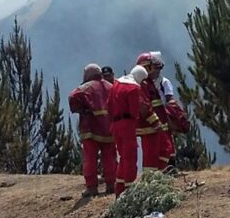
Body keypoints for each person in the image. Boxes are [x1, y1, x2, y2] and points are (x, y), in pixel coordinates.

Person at [68, 64, 117, 197]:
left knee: (90, 157)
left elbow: (73, 97)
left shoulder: (86, 87)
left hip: (90, 128)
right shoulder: (111, 86)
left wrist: (82, 109)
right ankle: (111, 185)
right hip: (109, 128)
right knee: (110, 157)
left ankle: (92, 187)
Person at [107, 65, 150, 197]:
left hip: (115, 124)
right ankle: (129, 190)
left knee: (122, 157)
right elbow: (134, 110)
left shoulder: (116, 84)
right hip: (127, 125)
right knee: (130, 157)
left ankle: (119, 189)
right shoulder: (133, 88)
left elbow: (108, 104)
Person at [135, 52, 170, 170]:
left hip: (155, 125)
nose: (157, 70)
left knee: (165, 149)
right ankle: (150, 180)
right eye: (154, 66)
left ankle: (159, 175)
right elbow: (144, 106)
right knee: (151, 156)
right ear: (146, 67)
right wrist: (155, 122)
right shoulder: (143, 84)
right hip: (149, 126)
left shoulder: (149, 83)